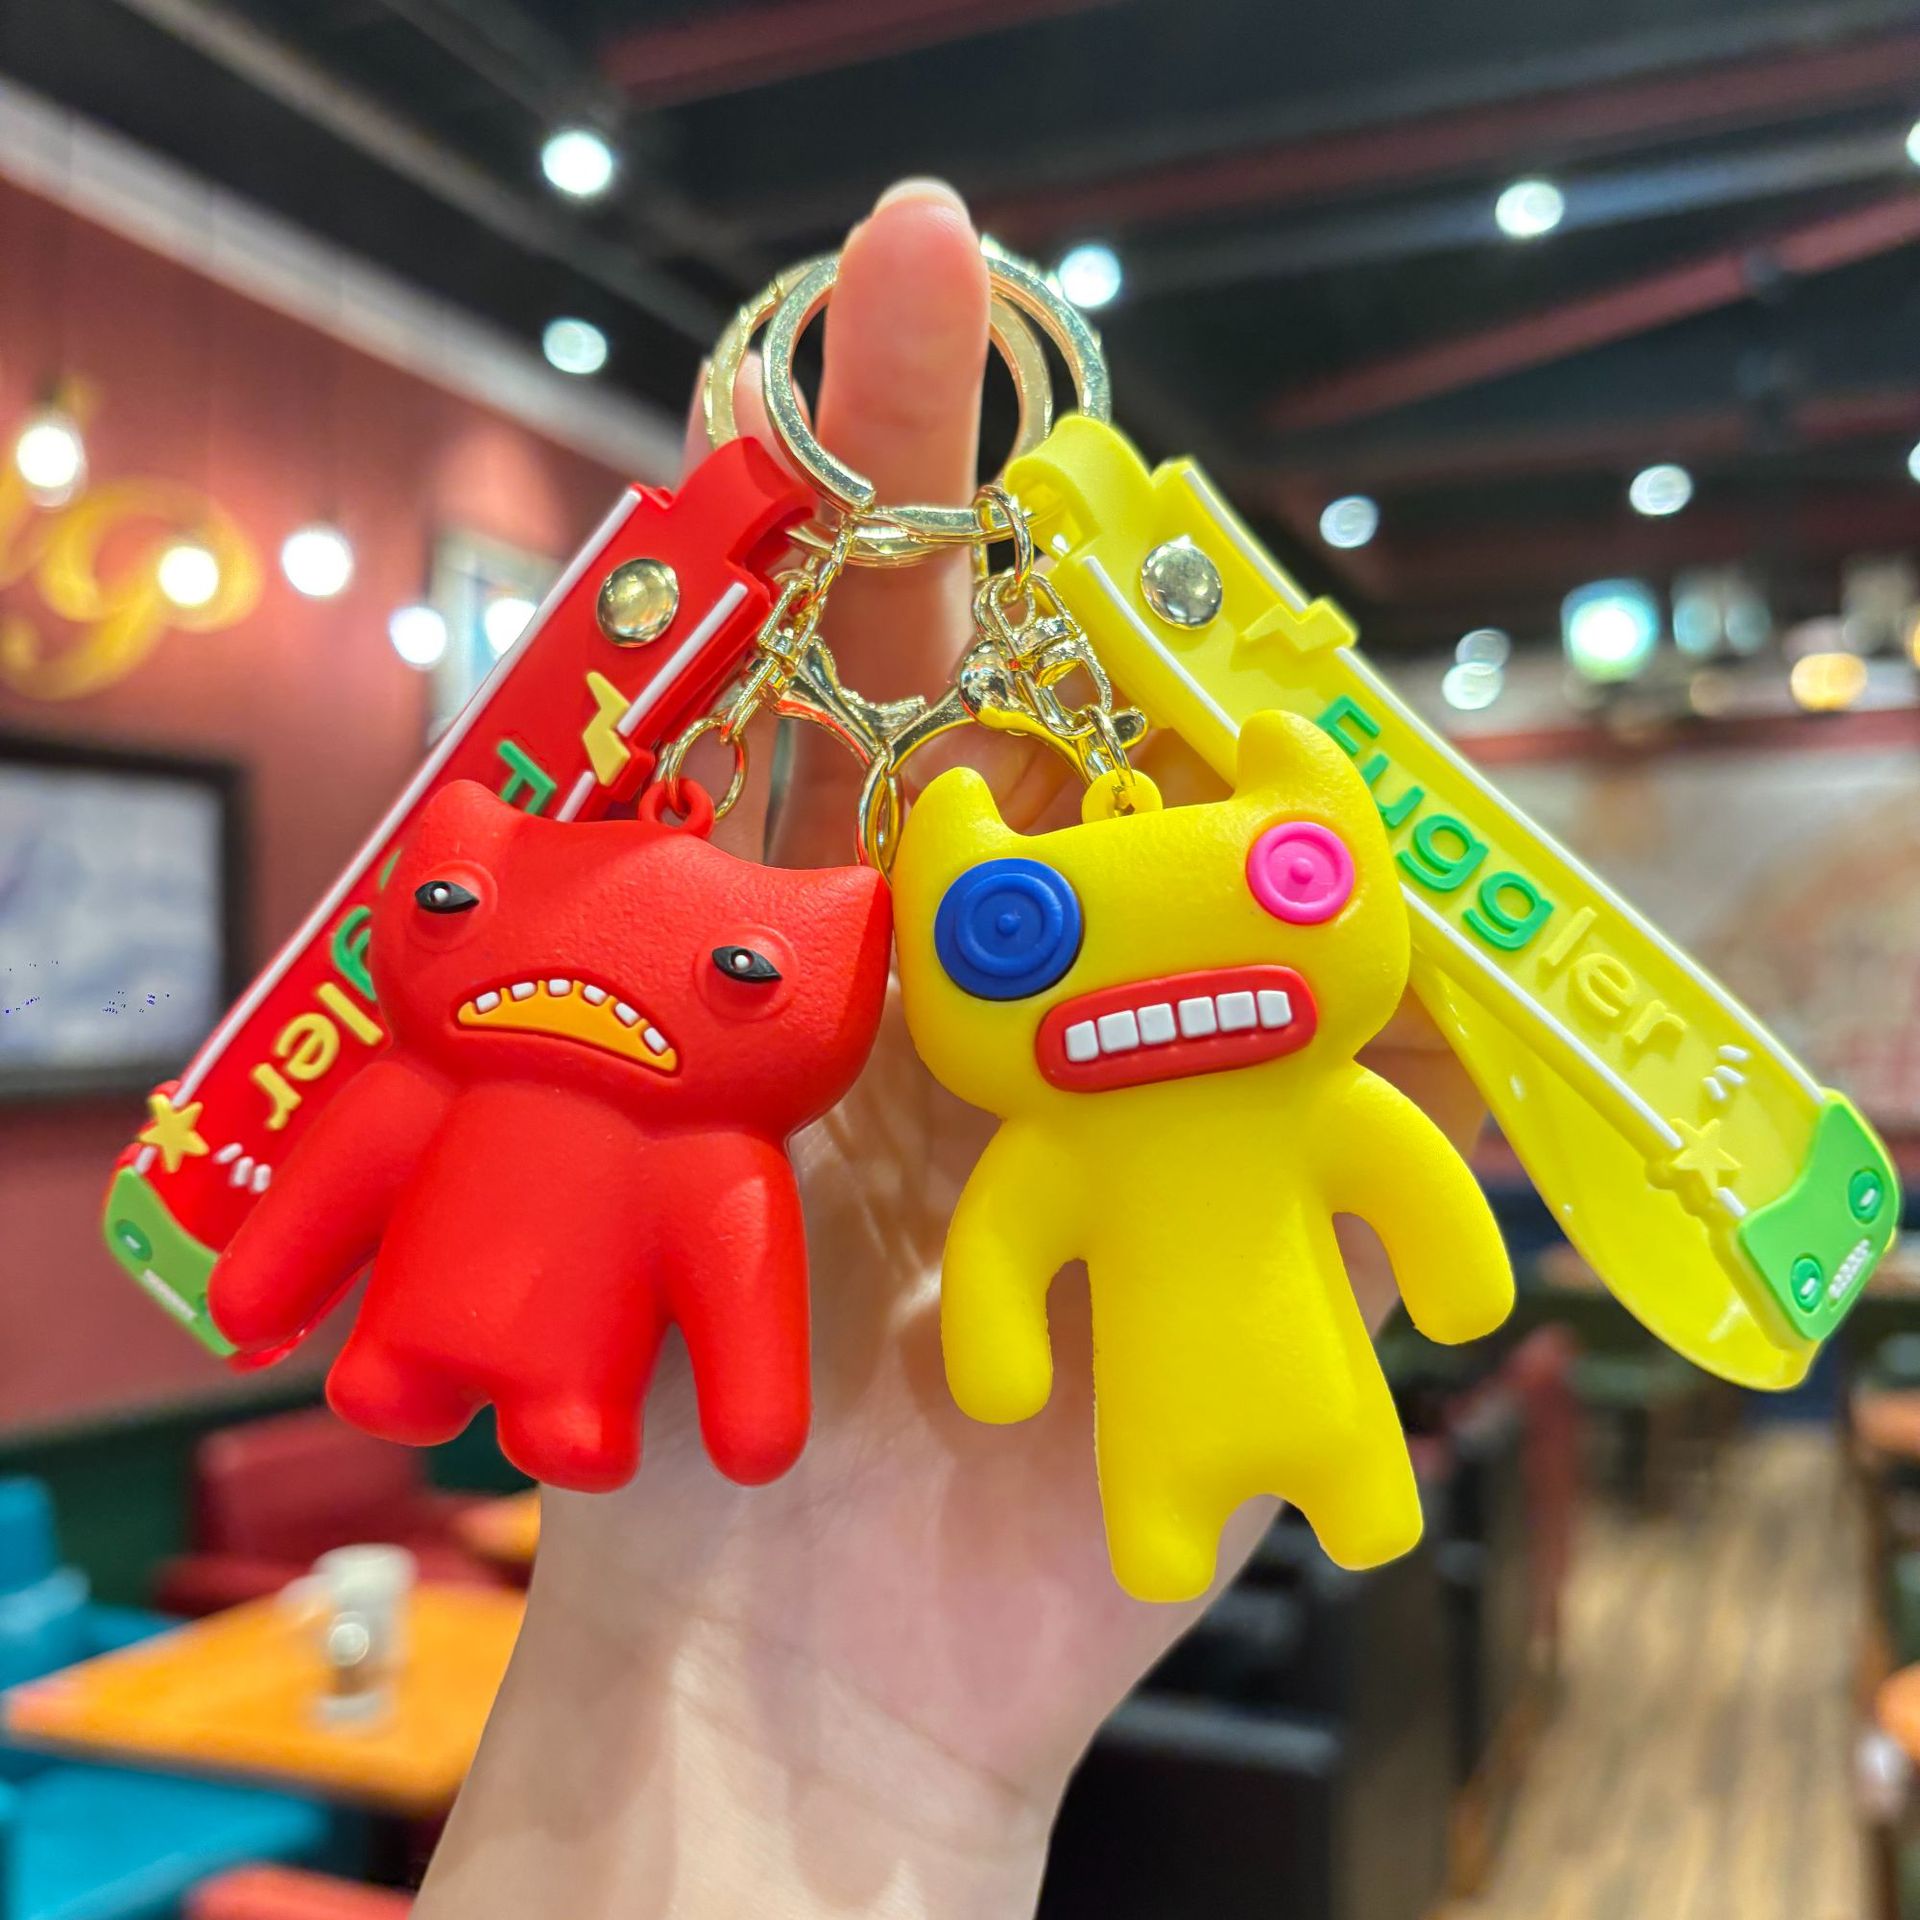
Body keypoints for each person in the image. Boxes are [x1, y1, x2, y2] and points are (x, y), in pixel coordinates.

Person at [415, 178, 1483, 1920]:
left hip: (1120, 1468)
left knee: (1318, 1474)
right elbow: (1023, 1265)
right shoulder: (1057, 1140)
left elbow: (1381, 1184)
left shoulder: (1165, 1123)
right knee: (1233, 1487)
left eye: (1287, 886)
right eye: (1018, 940)